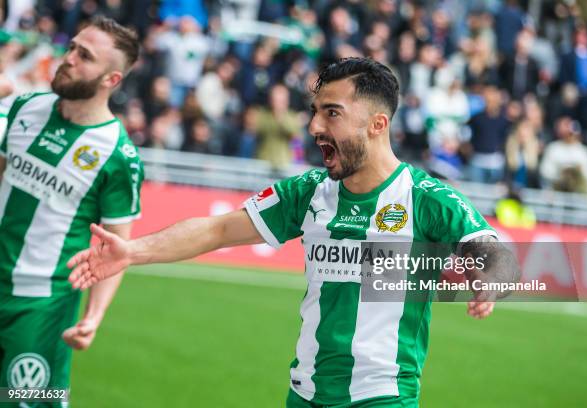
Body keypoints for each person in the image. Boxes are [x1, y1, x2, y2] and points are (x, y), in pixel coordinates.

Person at [67, 58, 520, 407]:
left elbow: (498, 253)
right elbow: (218, 228)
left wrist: (491, 279)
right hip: (302, 394)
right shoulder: (309, 191)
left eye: (332, 113)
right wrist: (132, 251)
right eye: (315, 112)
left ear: (378, 125)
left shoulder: (425, 197)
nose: (315, 127)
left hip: (381, 397)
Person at [0, 17, 143, 404]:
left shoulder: (118, 156)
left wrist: (92, 317)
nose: (69, 58)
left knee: (23, 400)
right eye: (72, 47)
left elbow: (117, 250)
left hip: (42, 305)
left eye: (85, 55)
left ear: (110, 80)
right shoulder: (26, 107)